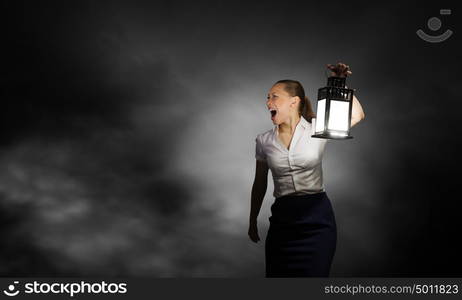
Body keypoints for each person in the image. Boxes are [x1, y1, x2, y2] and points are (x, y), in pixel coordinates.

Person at [248, 63, 365, 277]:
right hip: (282, 221)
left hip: (317, 221)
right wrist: (252, 220)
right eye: (267, 97)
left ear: (294, 102)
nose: (268, 102)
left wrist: (339, 83)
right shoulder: (263, 141)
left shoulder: (317, 129)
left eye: (274, 97)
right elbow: (260, 183)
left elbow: (357, 115)